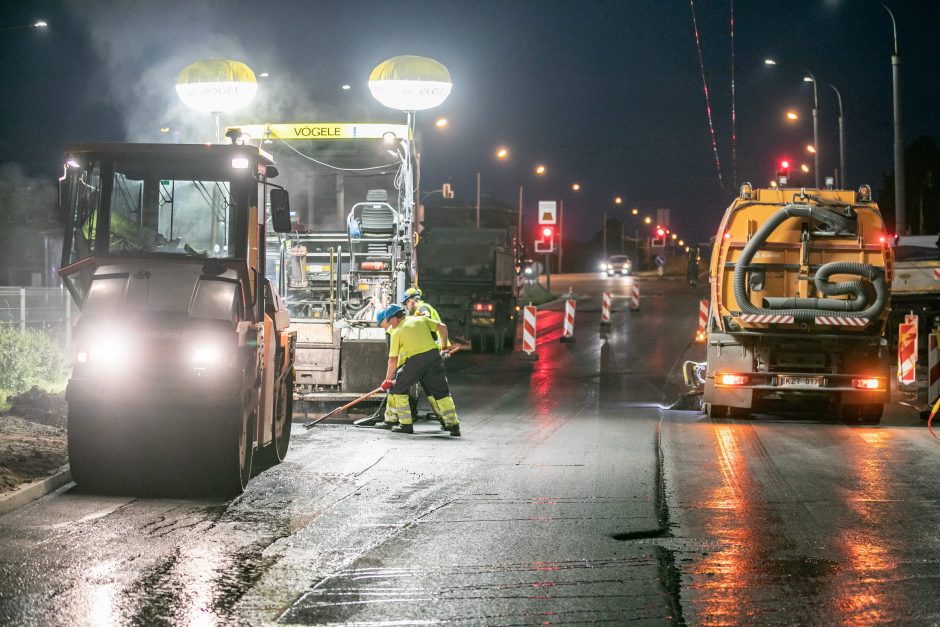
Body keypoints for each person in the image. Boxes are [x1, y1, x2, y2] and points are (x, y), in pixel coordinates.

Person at [375, 304, 460, 436]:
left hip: (416, 361)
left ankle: (406, 425)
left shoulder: (397, 332)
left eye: (389, 321)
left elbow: (392, 361)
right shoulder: (420, 319)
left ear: (393, 319)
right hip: (434, 358)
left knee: (398, 388)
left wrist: (388, 380)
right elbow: (443, 327)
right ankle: (453, 426)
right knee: (442, 392)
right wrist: (444, 348)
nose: (390, 325)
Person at [401, 287, 450, 424]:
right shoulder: (422, 309)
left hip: (434, 351)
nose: (407, 307)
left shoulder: (423, 309)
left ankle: (443, 416)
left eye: (406, 304)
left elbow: (426, 320)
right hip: (435, 351)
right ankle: (443, 417)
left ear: (411, 301)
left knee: (433, 386)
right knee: (431, 386)